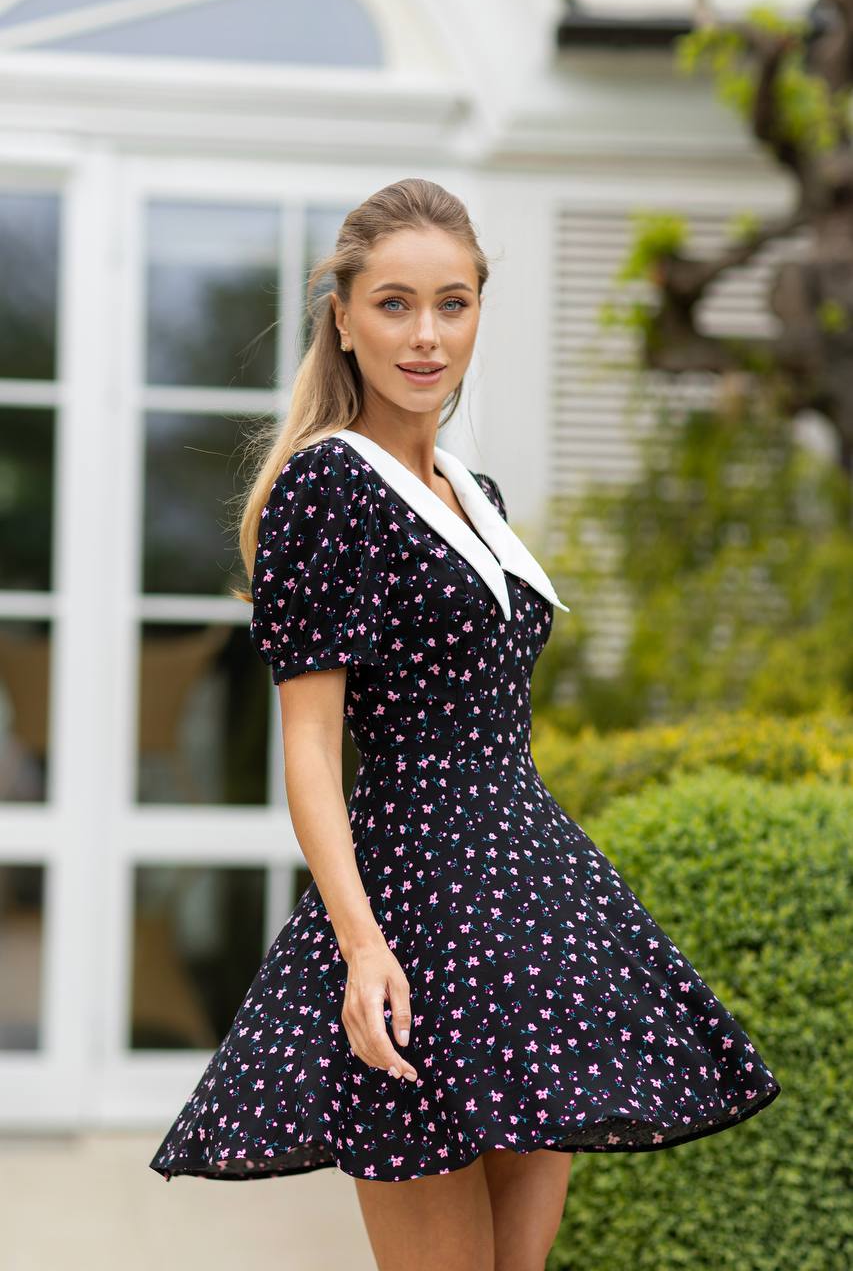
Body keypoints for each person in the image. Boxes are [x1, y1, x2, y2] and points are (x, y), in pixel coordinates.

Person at [149, 178, 781, 1271]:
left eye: (452, 302)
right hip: (418, 913)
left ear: (481, 310)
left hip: (530, 904)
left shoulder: (471, 488)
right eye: (394, 304)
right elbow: (310, 746)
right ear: (341, 316)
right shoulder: (325, 488)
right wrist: (359, 944)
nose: (425, 334)